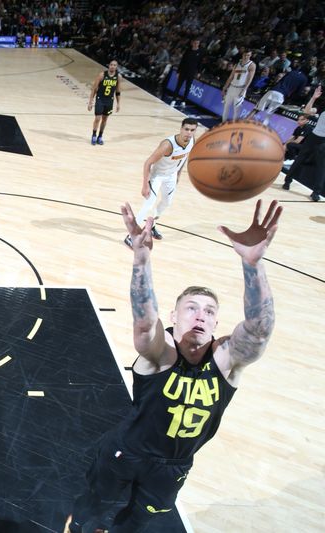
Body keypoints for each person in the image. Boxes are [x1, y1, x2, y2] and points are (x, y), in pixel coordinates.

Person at [66, 199, 282, 533]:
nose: (200, 315)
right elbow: (143, 325)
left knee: (140, 521)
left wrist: (253, 264)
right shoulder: (162, 352)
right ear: (173, 316)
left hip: (174, 464)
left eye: (209, 311)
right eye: (191, 308)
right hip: (127, 451)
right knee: (93, 505)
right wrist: (141, 258)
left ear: (216, 322)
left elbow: (259, 330)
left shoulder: (227, 359)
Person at [125, 118, 198, 247]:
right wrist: (145, 185)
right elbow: (148, 163)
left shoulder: (192, 141)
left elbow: (184, 158)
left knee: (167, 203)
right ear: (181, 129)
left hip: (171, 176)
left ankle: (152, 225)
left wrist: (178, 176)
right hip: (157, 176)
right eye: (186, 129)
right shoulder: (167, 145)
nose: (189, 133)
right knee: (148, 204)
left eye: (192, 130)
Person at [282, 85, 325, 201]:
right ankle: (287, 181)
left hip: (323, 142)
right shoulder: (323, 107)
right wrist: (313, 98)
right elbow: (306, 112)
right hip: (313, 137)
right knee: (300, 159)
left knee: (321, 167)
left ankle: (316, 193)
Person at [245, 61, 309, 126]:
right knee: (268, 115)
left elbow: (281, 80)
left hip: (273, 91)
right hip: (281, 96)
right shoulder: (304, 79)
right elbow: (298, 92)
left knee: (256, 109)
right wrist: (290, 99)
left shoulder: (291, 72)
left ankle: (243, 123)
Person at [87, 60, 121, 146]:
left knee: (105, 119)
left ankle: (100, 136)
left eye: (114, 65)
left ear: (116, 67)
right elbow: (94, 88)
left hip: (109, 100)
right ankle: (94, 135)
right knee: (98, 118)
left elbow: (118, 91)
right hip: (100, 99)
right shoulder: (102, 75)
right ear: (109, 66)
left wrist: (118, 103)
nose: (112, 66)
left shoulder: (118, 77)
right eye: (111, 65)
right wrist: (90, 101)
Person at [221, 49, 256, 122]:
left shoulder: (252, 65)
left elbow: (250, 79)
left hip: (240, 89)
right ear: (242, 54)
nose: (246, 57)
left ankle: (233, 126)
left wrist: (244, 90)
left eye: (248, 55)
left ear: (250, 55)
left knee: (236, 109)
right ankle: (223, 123)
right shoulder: (237, 64)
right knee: (226, 107)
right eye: (245, 55)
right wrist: (225, 88)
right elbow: (231, 77)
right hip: (232, 87)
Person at [170, 39, 202, 108]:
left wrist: (199, 72)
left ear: (199, 44)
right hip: (183, 71)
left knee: (188, 87)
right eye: (195, 43)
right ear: (192, 43)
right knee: (178, 86)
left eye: (197, 43)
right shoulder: (188, 50)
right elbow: (182, 61)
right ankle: (173, 100)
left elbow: (200, 63)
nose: (196, 44)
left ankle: (183, 101)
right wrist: (178, 71)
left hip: (191, 72)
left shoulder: (200, 52)